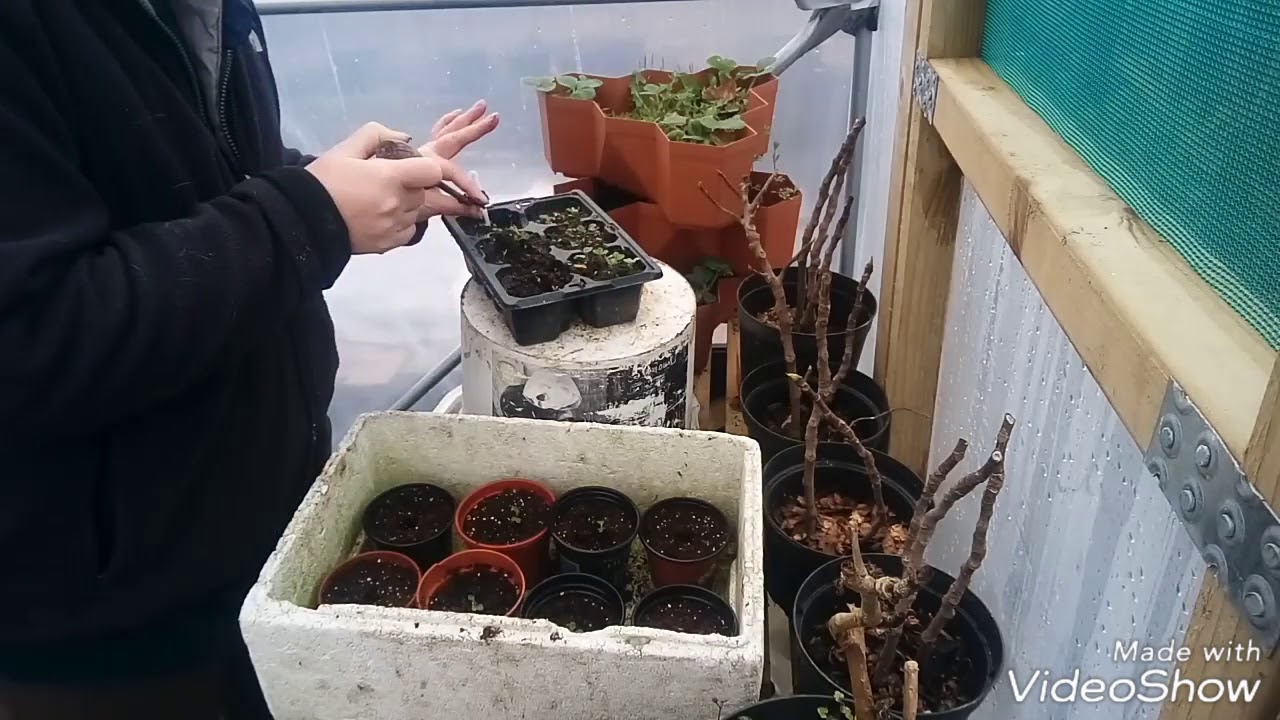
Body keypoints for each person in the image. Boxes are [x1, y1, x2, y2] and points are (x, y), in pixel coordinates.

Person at [0, 1, 498, 718]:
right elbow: (30, 337)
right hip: (113, 629)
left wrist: (372, 185)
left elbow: (201, 186)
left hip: (253, 534)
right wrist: (306, 215)